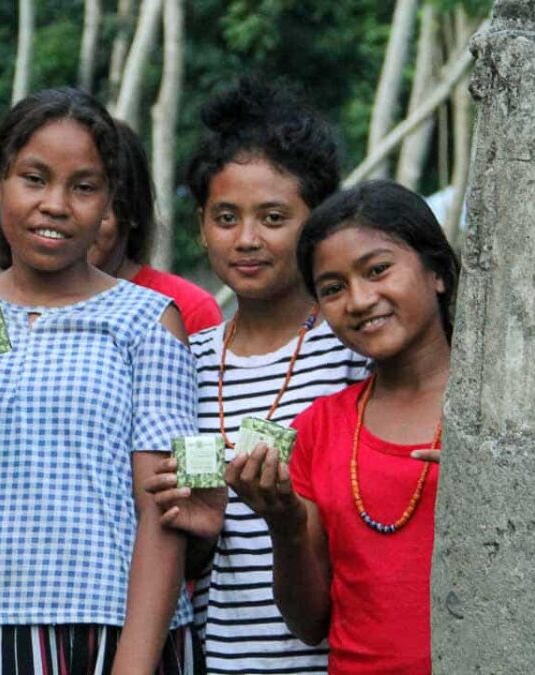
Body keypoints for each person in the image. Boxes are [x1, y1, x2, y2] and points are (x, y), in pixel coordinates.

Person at [0, 87, 221, 674]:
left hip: (110, 634)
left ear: (109, 201)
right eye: (34, 178)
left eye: (83, 187)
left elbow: (166, 512)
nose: (56, 205)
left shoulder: (146, 318)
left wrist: (134, 666)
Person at [144, 78, 368, 674]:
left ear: (316, 224)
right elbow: (180, 552)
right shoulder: (181, 360)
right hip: (215, 660)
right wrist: (200, 533)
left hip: (336, 658)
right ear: (200, 225)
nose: (247, 239)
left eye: (273, 217)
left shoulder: (354, 353)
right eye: (225, 217)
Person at [227, 180, 457, 674]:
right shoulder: (320, 428)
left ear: (436, 269)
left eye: (378, 270)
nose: (358, 299)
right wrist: (284, 525)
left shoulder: (502, 417)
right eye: (332, 289)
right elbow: (310, 622)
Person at [87, 120, 221, 334]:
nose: (78, 222)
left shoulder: (187, 309)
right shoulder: (18, 304)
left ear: (132, 209)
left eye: (88, 191)